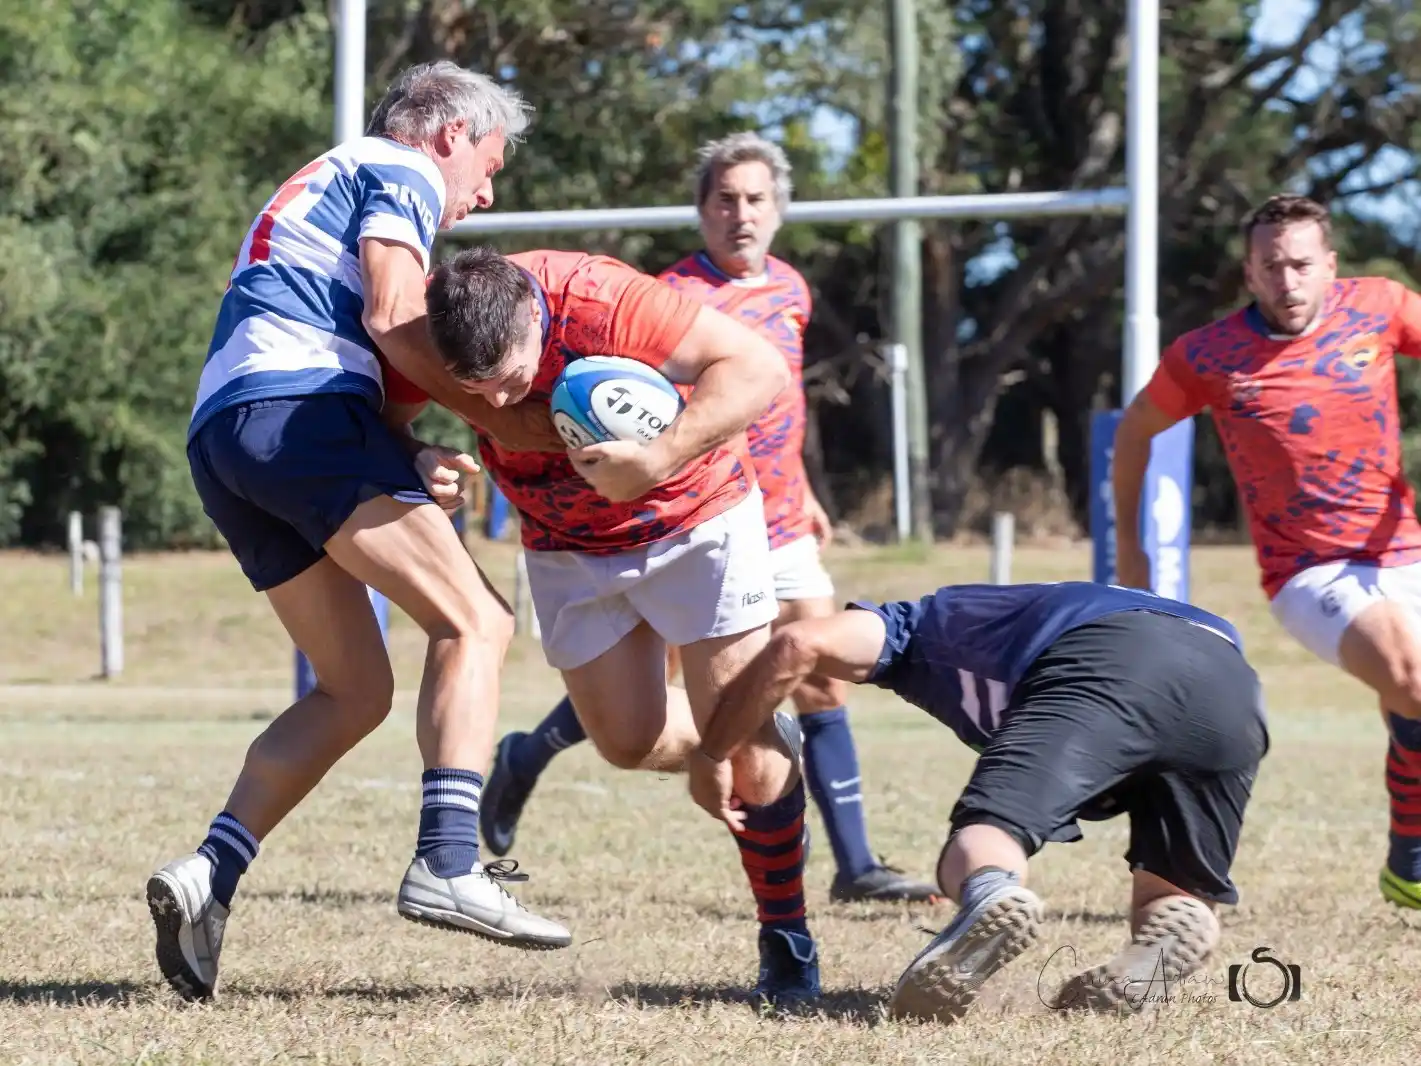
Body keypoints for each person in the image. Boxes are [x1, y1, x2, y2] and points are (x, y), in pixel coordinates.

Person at [147, 62, 571, 1004]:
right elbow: (390, 312)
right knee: (479, 624)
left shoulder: (327, 175)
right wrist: (503, 419)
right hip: (301, 414)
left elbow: (340, 331)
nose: (487, 190)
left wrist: (405, 446)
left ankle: (207, 877)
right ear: (450, 133)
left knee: (354, 690)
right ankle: (451, 861)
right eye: (489, 163)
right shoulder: (403, 167)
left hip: (228, 432)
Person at [476, 132, 938, 905]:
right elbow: (633, 421)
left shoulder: (790, 289)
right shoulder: (668, 299)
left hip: (780, 509)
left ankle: (854, 866)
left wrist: (807, 490)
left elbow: (781, 404)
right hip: (690, 512)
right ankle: (530, 752)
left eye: (755, 199)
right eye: (724, 200)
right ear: (700, 211)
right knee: (651, 696)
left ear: (778, 210)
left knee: (817, 681)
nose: (740, 215)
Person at [398, 243, 819, 1006]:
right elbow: (378, 408)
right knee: (626, 743)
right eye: (476, 392)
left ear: (535, 316)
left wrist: (658, 457)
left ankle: (786, 943)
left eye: (512, 381)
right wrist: (418, 452)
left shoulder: (601, 299)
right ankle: (728, 732)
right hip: (565, 543)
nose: (496, 408)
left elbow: (756, 369)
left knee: (749, 753)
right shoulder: (429, 323)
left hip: (694, 519)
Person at [686, 581, 1269, 1022]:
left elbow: (799, 642)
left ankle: (990, 895)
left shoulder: (917, 623)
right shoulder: (1031, 606)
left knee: (989, 832)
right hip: (1233, 682)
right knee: (1174, 888)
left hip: (1112, 656)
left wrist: (714, 752)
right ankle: (1169, 930)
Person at [1111, 193, 1421, 910]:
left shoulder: (1376, 306)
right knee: (1408, 674)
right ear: (1248, 274)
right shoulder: (1209, 356)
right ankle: (1409, 853)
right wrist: (1132, 549)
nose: (1287, 282)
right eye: (1270, 266)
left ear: (1329, 265)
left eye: (1301, 265)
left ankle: (1407, 864)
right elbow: (1133, 433)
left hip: (1401, 550)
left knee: (1407, 698)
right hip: (1306, 573)